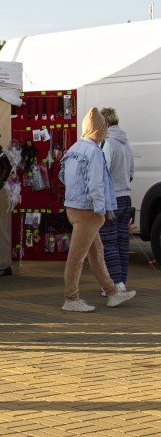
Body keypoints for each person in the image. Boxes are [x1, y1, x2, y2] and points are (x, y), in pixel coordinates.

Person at [59, 108, 136, 312]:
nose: (105, 132)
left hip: (74, 206)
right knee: (77, 257)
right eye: (103, 128)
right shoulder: (93, 151)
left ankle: (112, 292)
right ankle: (71, 298)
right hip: (88, 211)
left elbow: (63, 175)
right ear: (99, 129)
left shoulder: (75, 147)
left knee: (96, 253)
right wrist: (102, 209)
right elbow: (96, 184)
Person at [98, 107, 135, 292]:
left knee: (108, 242)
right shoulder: (126, 144)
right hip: (126, 197)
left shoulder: (107, 145)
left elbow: (102, 173)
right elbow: (131, 174)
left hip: (112, 200)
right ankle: (121, 282)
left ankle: (115, 283)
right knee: (122, 242)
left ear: (104, 123)